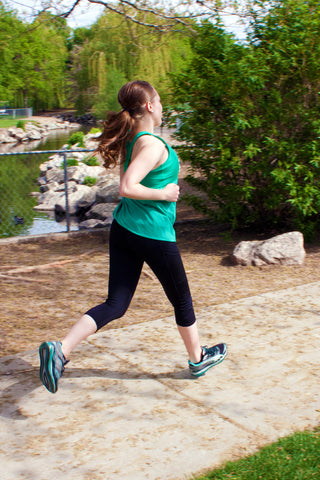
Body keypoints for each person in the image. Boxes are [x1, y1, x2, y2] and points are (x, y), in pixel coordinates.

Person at [39, 80, 227, 394]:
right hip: (152, 233)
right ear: (150, 106)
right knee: (181, 299)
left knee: (116, 303)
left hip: (124, 229)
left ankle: (61, 349)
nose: (163, 106)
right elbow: (127, 187)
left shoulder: (134, 139)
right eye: (160, 100)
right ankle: (198, 359)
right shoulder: (151, 144)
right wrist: (164, 194)